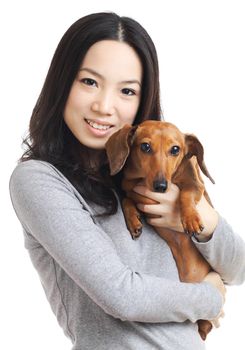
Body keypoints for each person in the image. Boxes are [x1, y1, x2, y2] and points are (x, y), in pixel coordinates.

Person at [9, 12, 245, 350]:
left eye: (127, 90)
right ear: (63, 82)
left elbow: (238, 270)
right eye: (89, 81)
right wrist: (209, 297)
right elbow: (122, 295)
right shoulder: (39, 180)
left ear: (143, 98)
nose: (105, 106)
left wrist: (202, 219)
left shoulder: (157, 173)